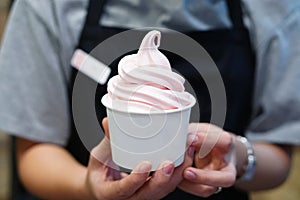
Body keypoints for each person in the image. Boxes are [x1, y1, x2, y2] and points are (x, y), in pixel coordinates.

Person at [0, 0, 299, 199]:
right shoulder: (47, 6)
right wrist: (88, 186)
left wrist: (238, 155)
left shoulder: (274, 8)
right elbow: (34, 150)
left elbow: (279, 156)